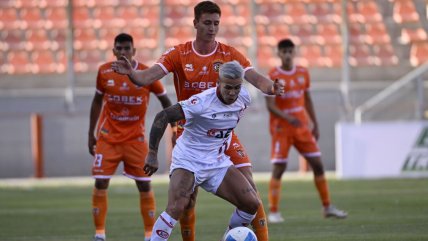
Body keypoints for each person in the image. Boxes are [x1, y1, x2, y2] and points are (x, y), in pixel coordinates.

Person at [111, 1, 285, 241]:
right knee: (184, 202)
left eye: (216, 23)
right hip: (189, 134)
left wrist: (272, 87)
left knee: (250, 194)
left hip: (221, 139)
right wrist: (131, 73)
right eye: (207, 23)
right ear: (195, 23)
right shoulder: (179, 54)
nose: (212, 28)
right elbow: (146, 78)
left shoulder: (230, 55)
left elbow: (257, 79)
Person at [145, 61, 260, 241]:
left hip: (216, 161)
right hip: (188, 160)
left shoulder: (244, 98)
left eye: (236, 88)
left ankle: (231, 236)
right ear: (218, 83)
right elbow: (163, 116)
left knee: (251, 204)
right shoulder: (201, 103)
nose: (232, 93)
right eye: (228, 87)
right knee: (177, 207)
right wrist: (152, 153)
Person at [88, 33, 176, 241]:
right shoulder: (104, 72)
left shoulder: (146, 73)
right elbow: (96, 101)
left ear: (133, 51)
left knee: (144, 184)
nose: (123, 52)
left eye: (127, 48)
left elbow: (166, 101)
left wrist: (175, 128)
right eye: (119, 48)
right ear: (113, 51)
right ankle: (99, 234)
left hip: (135, 139)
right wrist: (90, 133)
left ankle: (148, 234)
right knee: (100, 182)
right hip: (108, 138)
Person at [265, 38, 348, 223]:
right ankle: (273, 211)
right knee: (279, 167)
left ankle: (327, 207)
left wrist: (315, 123)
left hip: (302, 127)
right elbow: (270, 105)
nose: (287, 55)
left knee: (317, 165)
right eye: (283, 52)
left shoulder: (303, 73)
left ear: (294, 53)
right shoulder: (273, 75)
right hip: (282, 129)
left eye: (290, 51)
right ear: (279, 54)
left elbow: (307, 98)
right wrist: (287, 118)